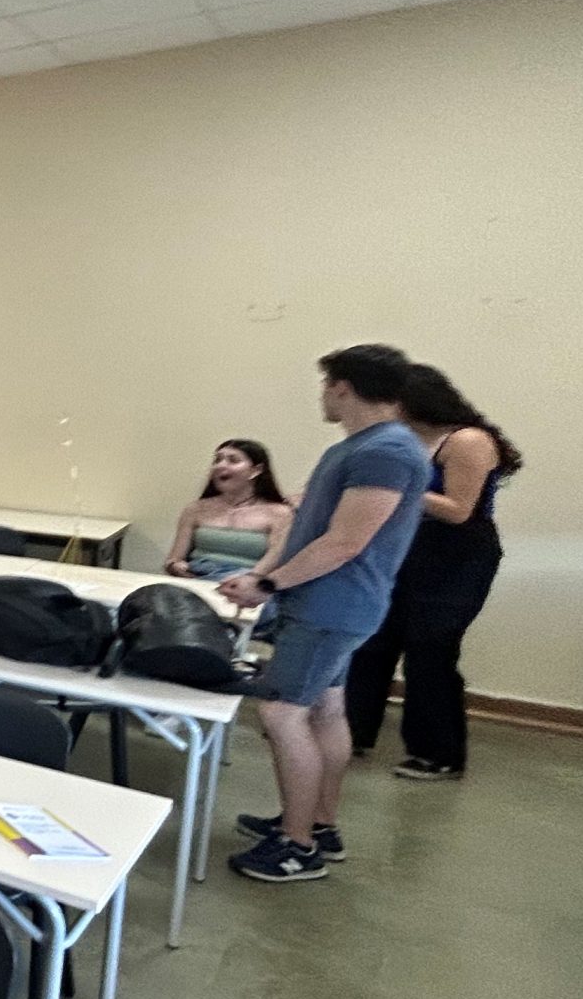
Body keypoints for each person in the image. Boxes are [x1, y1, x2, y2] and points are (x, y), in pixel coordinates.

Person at [223, 345, 429, 883]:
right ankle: (317, 823)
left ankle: (298, 847)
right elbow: (318, 528)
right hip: (328, 604)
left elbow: (345, 542)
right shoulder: (364, 446)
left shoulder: (386, 451)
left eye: (326, 386)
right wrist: (269, 575)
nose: (322, 396)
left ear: (342, 387)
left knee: (281, 714)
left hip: (331, 606)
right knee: (325, 711)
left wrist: (268, 584)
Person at [343, 364, 522, 782]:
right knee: (373, 641)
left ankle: (438, 753)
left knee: (430, 649)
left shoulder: (468, 440)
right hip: (407, 548)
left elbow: (459, 510)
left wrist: (396, 488)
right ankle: (353, 731)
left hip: (457, 556)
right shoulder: (402, 439)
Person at [162, 439, 293, 582]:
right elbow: (174, 558)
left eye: (233, 460)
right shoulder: (195, 509)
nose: (220, 465)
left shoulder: (280, 513)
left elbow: (275, 559)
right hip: (197, 578)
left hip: (246, 584)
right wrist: (175, 566)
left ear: (256, 470)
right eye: (217, 460)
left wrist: (248, 580)